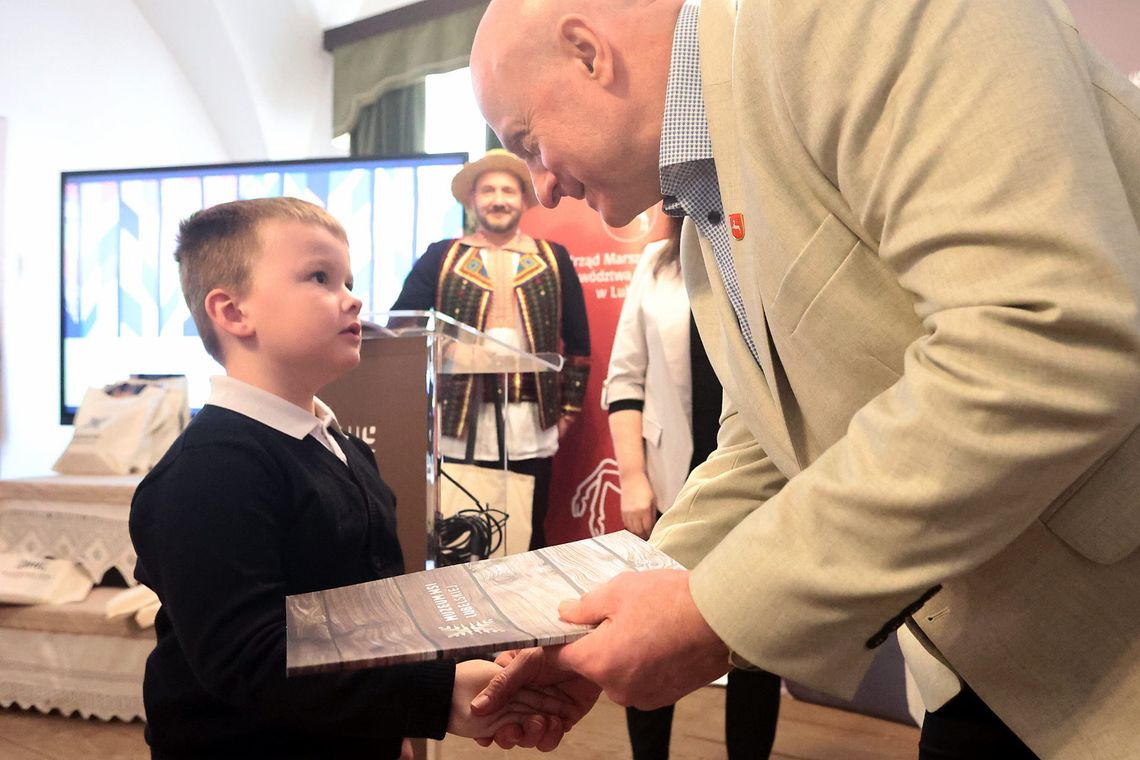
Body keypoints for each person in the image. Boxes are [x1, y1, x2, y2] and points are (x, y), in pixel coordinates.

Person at [465, 1, 1140, 759]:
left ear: (589, 52)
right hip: (988, 666)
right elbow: (772, 438)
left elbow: (1041, 340)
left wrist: (713, 614)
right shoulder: (708, 208)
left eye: (527, 143)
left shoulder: (855, 18)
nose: (539, 187)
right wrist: (609, 612)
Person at [129, 197, 583, 759]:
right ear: (233, 311)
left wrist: (400, 723)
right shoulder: (210, 472)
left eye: (348, 278)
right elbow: (253, 659)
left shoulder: (342, 448)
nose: (355, 298)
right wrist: (439, 699)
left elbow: (375, 610)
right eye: (320, 277)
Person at [604, 218, 781, 759]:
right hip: (668, 480)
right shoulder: (656, 261)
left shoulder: (765, 247)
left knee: (756, 642)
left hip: (760, 478)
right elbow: (624, 380)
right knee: (651, 632)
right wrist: (633, 478)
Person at [391, 149, 590, 550]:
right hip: (460, 419)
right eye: (488, 191)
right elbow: (402, 326)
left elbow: (580, 345)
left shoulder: (553, 258)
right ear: (472, 200)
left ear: (523, 199)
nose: (498, 199)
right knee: (463, 533)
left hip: (531, 418)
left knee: (529, 527)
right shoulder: (443, 257)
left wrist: (566, 411)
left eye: (508, 190)